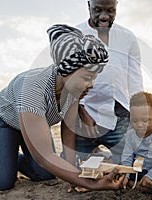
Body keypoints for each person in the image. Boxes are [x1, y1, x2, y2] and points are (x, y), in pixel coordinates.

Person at [0, 24, 125, 191]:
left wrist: (73, 174)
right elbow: (44, 156)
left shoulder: (72, 90)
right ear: (66, 70)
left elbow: (68, 128)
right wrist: (91, 184)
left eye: (94, 78)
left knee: (45, 173)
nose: (91, 85)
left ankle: (8, 160)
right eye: (87, 77)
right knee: (0, 182)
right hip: (4, 120)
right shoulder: (32, 88)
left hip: (32, 125)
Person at [61, 0, 143, 166]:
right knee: (70, 165)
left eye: (110, 10)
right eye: (97, 10)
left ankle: (102, 155)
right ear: (88, 5)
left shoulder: (128, 38)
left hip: (118, 117)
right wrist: (81, 111)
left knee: (129, 166)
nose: (104, 16)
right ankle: (92, 153)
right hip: (83, 116)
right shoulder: (74, 36)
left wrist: (138, 113)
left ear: (117, 6)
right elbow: (66, 82)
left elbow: (135, 80)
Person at [121, 92, 152, 196]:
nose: (139, 125)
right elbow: (127, 157)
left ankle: (134, 185)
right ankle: (134, 183)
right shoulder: (130, 135)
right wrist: (127, 174)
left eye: (145, 120)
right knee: (120, 176)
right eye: (134, 120)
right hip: (135, 172)